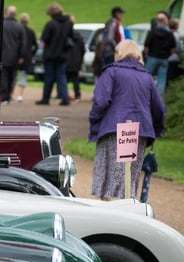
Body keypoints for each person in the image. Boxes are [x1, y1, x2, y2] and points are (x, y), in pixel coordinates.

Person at [89, 40, 165, 200]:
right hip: (140, 132)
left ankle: (108, 212)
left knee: (109, 177)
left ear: (119, 54)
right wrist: (157, 130)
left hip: (113, 129)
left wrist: (94, 120)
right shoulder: (147, 77)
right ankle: (127, 210)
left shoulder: (111, 72)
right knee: (130, 176)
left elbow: (101, 101)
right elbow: (159, 108)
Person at [35, 3, 73, 106]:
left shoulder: (51, 24)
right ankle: (65, 98)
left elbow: (44, 38)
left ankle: (45, 99)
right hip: (63, 55)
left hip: (50, 55)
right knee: (61, 77)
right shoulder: (68, 23)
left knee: (49, 78)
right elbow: (72, 37)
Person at [0, 6, 24, 104]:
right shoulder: (19, 26)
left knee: (3, 76)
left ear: (6, 13)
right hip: (15, 56)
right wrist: (21, 56)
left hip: (2, 56)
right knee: (12, 77)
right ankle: (8, 95)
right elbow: (23, 42)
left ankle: (4, 96)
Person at [144, 11, 178, 94]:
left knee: (147, 78)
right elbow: (173, 48)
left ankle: (144, 94)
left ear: (157, 21)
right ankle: (158, 99)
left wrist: (146, 55)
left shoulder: (152, 32)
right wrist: (167, 55)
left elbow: (147, 46)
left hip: (152, 57)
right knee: (161, 80)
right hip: (164, 59)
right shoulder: (170, 34)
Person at [13, 13, 37, 102]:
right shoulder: (31, 31)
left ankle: (11, 93)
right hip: (26, 57)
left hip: (15, 56)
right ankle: (20, 95)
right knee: (23, 76)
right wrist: (31, 53)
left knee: (13, 76)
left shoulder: (16, 30)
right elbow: (36, 45)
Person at [65, 17, 86, 101]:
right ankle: (77, 94)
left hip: (67, 60)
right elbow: (83, 49)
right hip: (76, 60)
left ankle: (63, 94)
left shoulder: (66, 36)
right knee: (75, 78)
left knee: (64, 78)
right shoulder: (79, 36)